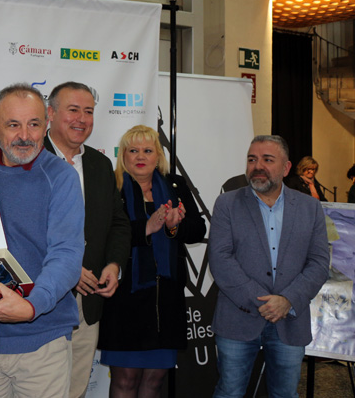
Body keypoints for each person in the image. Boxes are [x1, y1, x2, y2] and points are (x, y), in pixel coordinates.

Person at [0, 83, 84, 398]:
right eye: (13, 125)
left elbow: (66, 254)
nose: (24, 135)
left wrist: (31, 306)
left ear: (46, 124)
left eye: (34, 124)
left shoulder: (62, 177)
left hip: (42, 341)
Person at [209, 135, 328, 398]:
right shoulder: (227, 204)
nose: (258, 166)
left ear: (286, 168)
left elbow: (319, 262)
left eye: (267, 159)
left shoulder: (310, 207)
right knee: (229, 392)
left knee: (285, 394)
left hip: (290, 320)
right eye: (252, 159)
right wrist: (264, 301)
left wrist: (287, 300)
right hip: (237, 318)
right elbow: (220, 259)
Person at [97, 124, 206, 398]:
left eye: (147, 150)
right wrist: (146, 227)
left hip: (165, 301)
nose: (140, 156)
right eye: (133, 150)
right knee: (125, 381)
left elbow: (198, 229)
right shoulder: (112, 186)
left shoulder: (175, 185)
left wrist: (173, 226)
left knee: (155, 382)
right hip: (125, 299)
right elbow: (103, 235)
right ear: (123, 155)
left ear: (158, 156)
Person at [43, 81, 130, 398]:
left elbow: (118, 223)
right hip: (43, 301)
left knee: (76, 388)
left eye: (89, 111)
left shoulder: (100, 164)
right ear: (51, 113)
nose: (82, 119)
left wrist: (114, 264)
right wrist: (67, 269)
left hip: (88, 301)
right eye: (73, 110)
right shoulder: (30, 159)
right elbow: (21, 231)